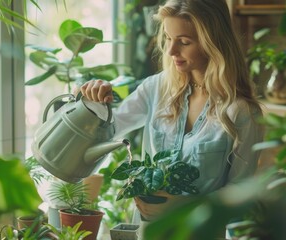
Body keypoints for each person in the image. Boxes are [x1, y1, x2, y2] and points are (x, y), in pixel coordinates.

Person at [81, 0, 263, 231]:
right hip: (148, 231)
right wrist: (93, 100)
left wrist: (187, 205)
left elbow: (239, 195)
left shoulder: (241, 112)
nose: (171, 50)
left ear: (213, 43)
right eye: (167, 37)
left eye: (184, 42)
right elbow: (108, 130)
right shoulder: (155, 89)